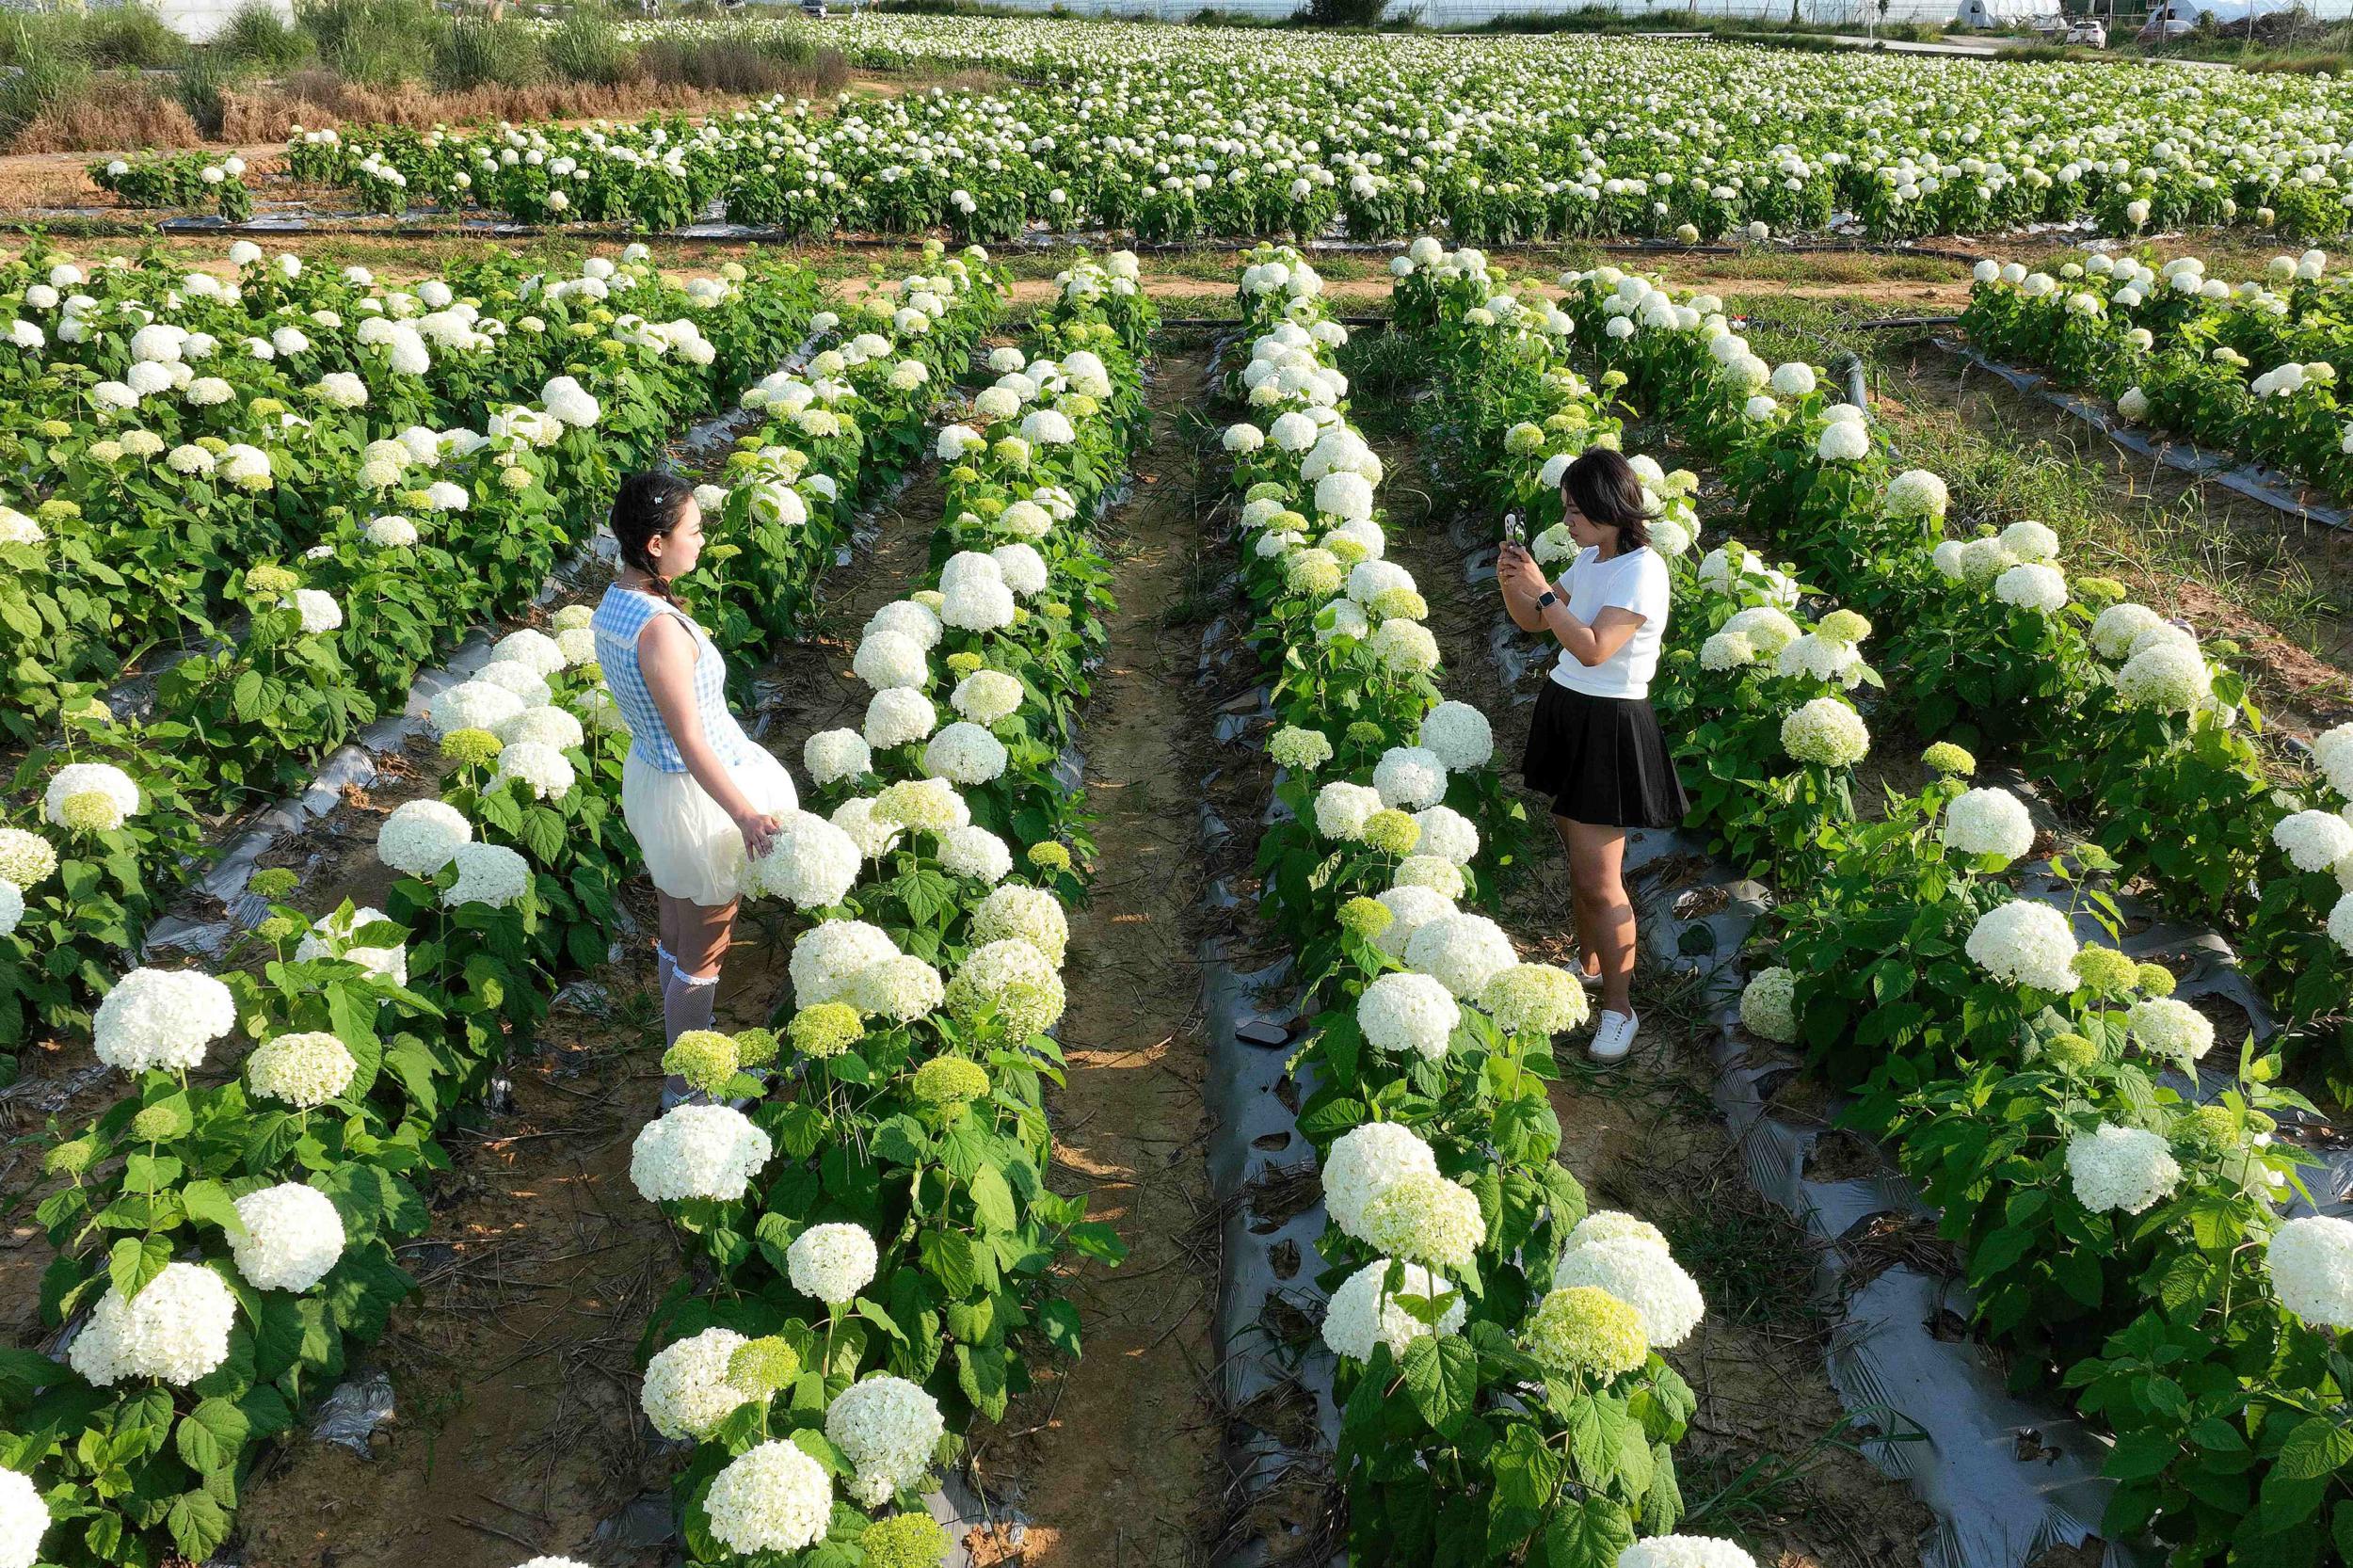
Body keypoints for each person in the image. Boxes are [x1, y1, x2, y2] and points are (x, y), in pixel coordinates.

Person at [591, 472, 798, 1081]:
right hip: (697, 797)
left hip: (657, 784)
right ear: (656, 543)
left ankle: (683, 1039)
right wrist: (745, 814)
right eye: (695, 530)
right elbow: (692, 740)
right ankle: (689, 1083)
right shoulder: (658, 632)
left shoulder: (617, 605)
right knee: (706, 946)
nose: (703, 541)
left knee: (677, 927)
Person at [1494, 448, 1689, 1064]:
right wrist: (1514, 584)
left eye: (1578, 511)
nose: (1570, 521)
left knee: (1603, 882)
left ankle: (1620, 1009)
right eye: (1567, 510)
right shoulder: (1591, 558)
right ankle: (1590, 966)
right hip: (1570, 709)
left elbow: (1595, 648)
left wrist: (1545, 598)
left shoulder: (1641, 570)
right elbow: (1533, 622)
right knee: (1580, 866)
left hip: (1611, 724)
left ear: (1611, 509)